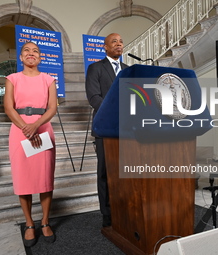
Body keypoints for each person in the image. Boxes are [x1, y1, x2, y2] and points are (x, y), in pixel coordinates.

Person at [4, 41, 57, 247]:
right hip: (19, 131)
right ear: (21, 57)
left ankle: (44, 221)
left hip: (43, 129)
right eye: (27, 50)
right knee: (23, 178)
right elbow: (9, 108)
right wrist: (26, 128)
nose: (31, 53)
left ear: (40, 57)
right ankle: (29, 223)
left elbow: (52, 108)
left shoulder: (48, 79)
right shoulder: (12, 78)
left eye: (35, 51)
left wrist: (36, 125)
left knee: (44, 178)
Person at [85, 33, 128, 227]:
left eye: (120, 41)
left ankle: (126, 208)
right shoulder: (96, 68)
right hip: (105, 127)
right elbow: (94, 98)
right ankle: (107, 214)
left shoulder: (129, 70)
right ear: (105, 47)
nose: (119, 44)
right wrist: (117, 112)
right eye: (114, 41)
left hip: (130, 130)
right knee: (105, 172)